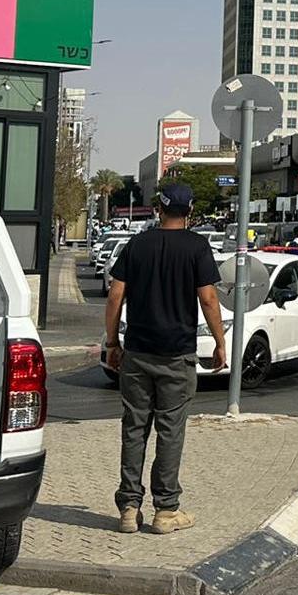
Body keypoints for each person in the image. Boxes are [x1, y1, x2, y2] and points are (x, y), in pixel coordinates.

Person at [103, 183, 226, 535]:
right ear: (189, 212)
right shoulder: (197, 248)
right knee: (170, 432)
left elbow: (115, 297)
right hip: (177, 354)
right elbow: (208, 300)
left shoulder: (137, 245)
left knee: (134, 429)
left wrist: (113, 342)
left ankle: (129, 508)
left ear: (159, 208)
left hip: (138, 352)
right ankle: (166, 511)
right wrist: (219, 342)